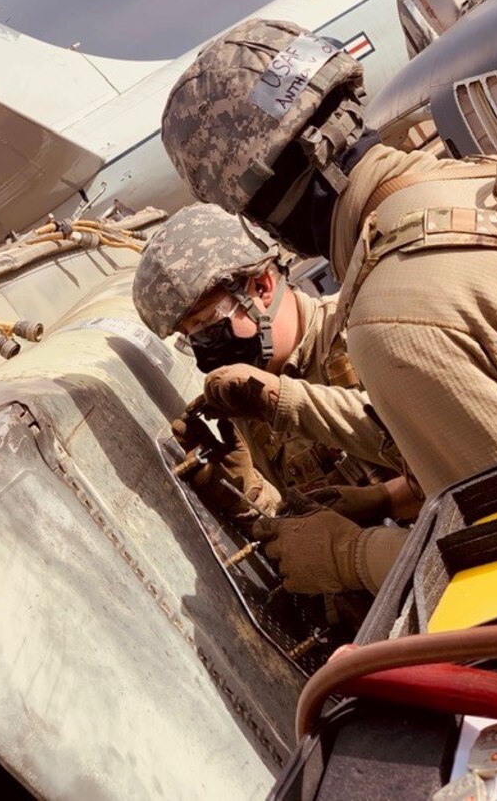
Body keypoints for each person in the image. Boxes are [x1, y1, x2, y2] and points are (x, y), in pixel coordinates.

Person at [158, 18, 497, 592]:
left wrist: (352, 557)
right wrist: (286, 403)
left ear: (253, 207)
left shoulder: (389, 318)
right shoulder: (489, 183)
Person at [133, 202, 417, 594]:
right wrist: (241, 490)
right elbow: (305, 529)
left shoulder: (366, 329)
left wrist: (382, 499)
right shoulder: (250, 402)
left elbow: (460, 461)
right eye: (190, 335)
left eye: (206, 322)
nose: (202, 350)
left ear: (262, 287)